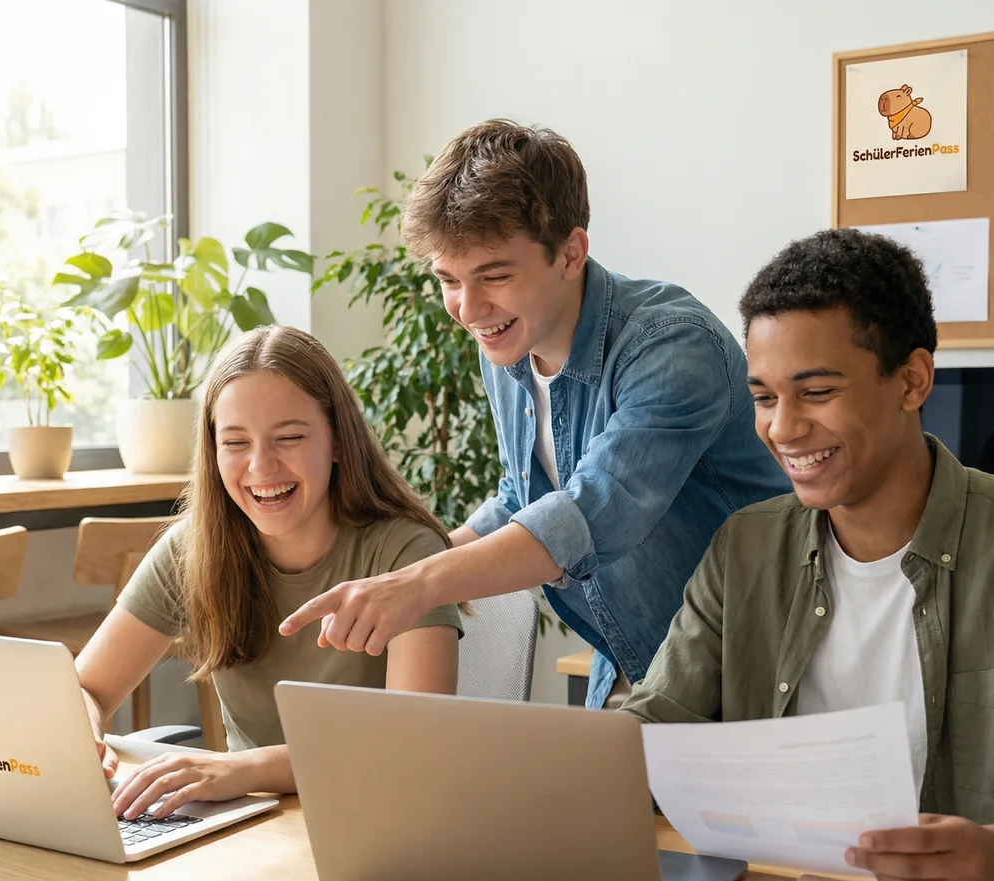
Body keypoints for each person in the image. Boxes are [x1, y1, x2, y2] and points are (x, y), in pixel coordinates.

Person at [279, 119, 787, 707]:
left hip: (755, 675)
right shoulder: (509, 344)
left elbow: (589, 513)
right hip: (638, 661)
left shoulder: (672, 343)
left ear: (570, 253)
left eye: (495, 276)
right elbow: (524, 496)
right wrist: (415, 560)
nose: (469, 309)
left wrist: (418, 583)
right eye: (449, 280)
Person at [621, 228, 994, 881]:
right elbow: (653, 728)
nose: (783, 428)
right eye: (763, 397)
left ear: (912, 381)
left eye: (815, 391)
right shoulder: (745, 549)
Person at [77, 326, 461, 820]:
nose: (262, 466)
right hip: (251, 825)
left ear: (339, 441)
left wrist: (243, 770)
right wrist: (82, 734)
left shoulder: (405, 552)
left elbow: (412, 742)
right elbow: (84, 686)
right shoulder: (195, 548)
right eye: (235, 442)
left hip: (377, 818)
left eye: (290, 437)